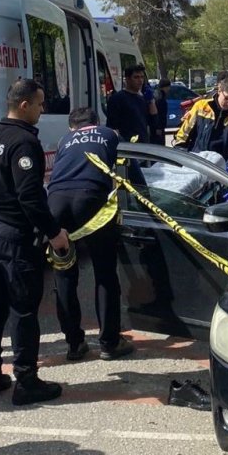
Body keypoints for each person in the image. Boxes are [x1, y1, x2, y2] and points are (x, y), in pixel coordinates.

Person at [0, 78, 70, 405]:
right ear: (25, 105)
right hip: (15, 235)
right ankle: (26, 380)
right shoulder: (23, 142)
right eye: (41, 104)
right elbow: (30, 196)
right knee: (23, 308)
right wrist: (54, 232)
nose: (43, 111)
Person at [47, 107, 134, 362]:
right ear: (96, 122)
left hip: (56, 201)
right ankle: (109, 342)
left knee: (64, 274)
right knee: (105, 273)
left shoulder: (65, 140)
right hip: (92, 198)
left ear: (72, 127)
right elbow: (129, 168)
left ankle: (74, 344)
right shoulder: (110, 134)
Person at [173, 76, 228, 172]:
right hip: (196, 165)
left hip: (222, 169)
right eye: (227, 98)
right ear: (219, 90)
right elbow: (183, 135)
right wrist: (182, 157)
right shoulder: (200, 107)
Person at [106, 64, 151, 144]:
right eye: (136, 77)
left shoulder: (142, 99)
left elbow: (149, 122)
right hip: (127, 147)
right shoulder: (117, 99)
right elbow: (112, 126)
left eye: (142, 77)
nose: (140, 80)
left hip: (143, 145)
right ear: (127, 79)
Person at [152, 78, 171, 144]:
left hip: (156, 126)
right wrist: (159, 127)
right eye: (168, 87)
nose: (169, 89)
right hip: (159, 127)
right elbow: (160, 113)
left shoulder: (157, 94)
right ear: (165, 87)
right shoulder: (160, 98)